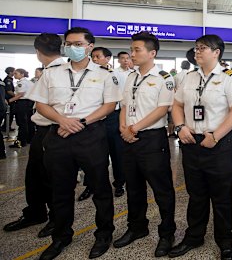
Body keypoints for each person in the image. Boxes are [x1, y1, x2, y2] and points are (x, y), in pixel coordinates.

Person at [27, 27, 119, 259]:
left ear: (89, 46)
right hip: (59, 134)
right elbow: (40, 104)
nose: (72, 48)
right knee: (60, 189)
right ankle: (60, 236)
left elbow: (109, 106)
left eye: (78, 44)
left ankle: (104, 233)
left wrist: (82, 122)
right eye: (69, 44)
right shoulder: (52, 72)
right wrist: (62, 121)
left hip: (91, 134)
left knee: (100, 187)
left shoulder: (105, 74)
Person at [169, 35, 232, 260]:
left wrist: (216, 135)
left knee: (221, 196)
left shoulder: (227, 78)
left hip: (218, 143)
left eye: (203, 48)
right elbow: (177, 104)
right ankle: (194, 236)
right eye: (196, 48)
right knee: (196, 194)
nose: (197, 52)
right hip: (192, 141)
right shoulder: (190, 78)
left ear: (216, 52)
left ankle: (224, 241)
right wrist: (180, 127)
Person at [113, 32, 177, 257]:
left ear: (152, 53)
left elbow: (162, 109)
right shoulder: (130, 76)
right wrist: (123, 128)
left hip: (151, 139)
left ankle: (167, 233)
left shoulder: (163, 77)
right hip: (128, 139)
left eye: (137, 50)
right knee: (134, 187)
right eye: (132, 49)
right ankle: (137, 227)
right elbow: (124, 105)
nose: (132, 54)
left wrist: (133, 128)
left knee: (162, 190)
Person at [3, 33, 65, 237]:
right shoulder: (52, 71)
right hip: (44, 130)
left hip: (53, 130)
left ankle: (56, 218)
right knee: (35, 176)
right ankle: (36, 212)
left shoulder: (56, 73)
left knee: (50, 178)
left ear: (38, 52)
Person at [89, 47, 126, 199]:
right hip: (92, 117)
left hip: (112, 117)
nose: (95, 59)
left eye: (98, 56)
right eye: (93, 57)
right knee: (92, 154)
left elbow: (122, 98)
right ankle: (91, 185)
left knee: (116, 153)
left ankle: (119, 183)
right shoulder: (87, 74)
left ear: (108, 58)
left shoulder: (116, 74)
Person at [7, 68, 35, 149]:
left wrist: (9, 101)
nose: (14, 75)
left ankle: (21, 141)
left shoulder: (21, 83)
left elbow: (20, 95)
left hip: (22, 103)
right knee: (29, 122)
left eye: (16, 73)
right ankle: (29, 139)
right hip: (29, 103)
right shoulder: (29, 82)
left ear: (22, 74)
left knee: (22, 123)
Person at [2, 67, 16, 132]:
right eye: (14, 71)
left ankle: (7, 127)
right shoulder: (8, 80)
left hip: (10, 99)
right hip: (9, 100)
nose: (15, 72)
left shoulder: (10, 79)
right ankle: (6, 127)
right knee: (9, 114)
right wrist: (16, 96)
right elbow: (9, 91)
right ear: (10, 72)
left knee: (9, 115)